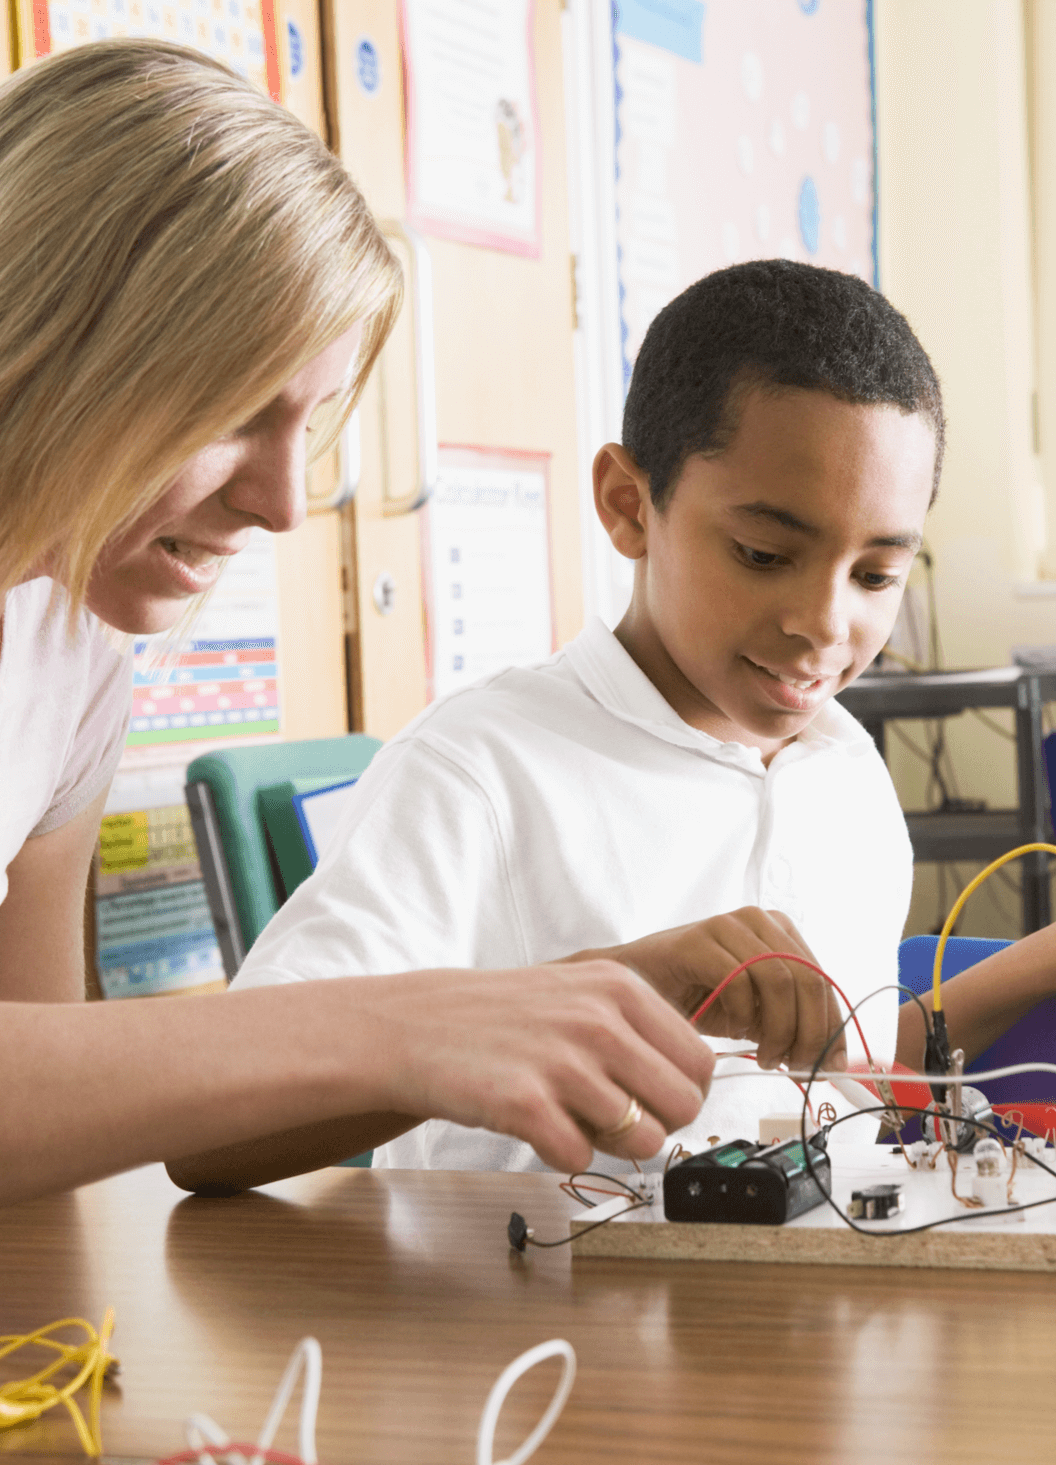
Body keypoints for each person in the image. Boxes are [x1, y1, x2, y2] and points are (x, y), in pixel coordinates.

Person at [0, 40, 716, 1310]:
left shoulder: (67, 651)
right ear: (32, 337)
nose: (285, 502)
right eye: (231, 412)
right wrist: (381, 1026)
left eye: (310, 422)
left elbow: (28, 1103)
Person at [172, 259, 952, 1192]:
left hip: (798, 1318)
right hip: (535, 1325)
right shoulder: (479, 769)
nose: (827, 624)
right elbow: (205, 1129)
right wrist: (591, 995)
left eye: (876, 576)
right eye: (763, 553)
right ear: (630, 506)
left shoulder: (848, 771)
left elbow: (850, 1075)